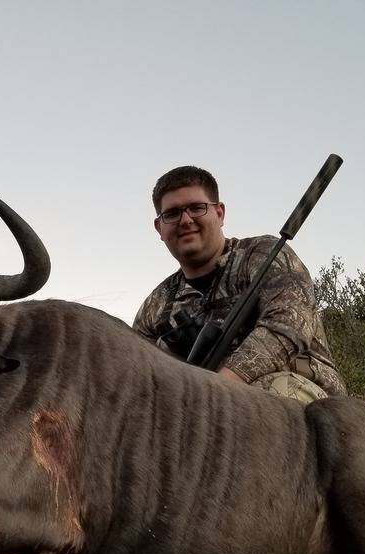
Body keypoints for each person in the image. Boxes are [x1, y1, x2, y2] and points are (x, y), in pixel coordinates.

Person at [133, 165, 346, 402]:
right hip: (200, 407)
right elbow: (136, 375)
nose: (185, 220)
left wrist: (213, 390)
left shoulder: (264, 256)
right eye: (172, 213)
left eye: (196, 208)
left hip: (299, 398)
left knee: (274, 390)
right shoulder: (155, 307)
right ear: (159, 227)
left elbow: (287, 326)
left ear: (220, 213)